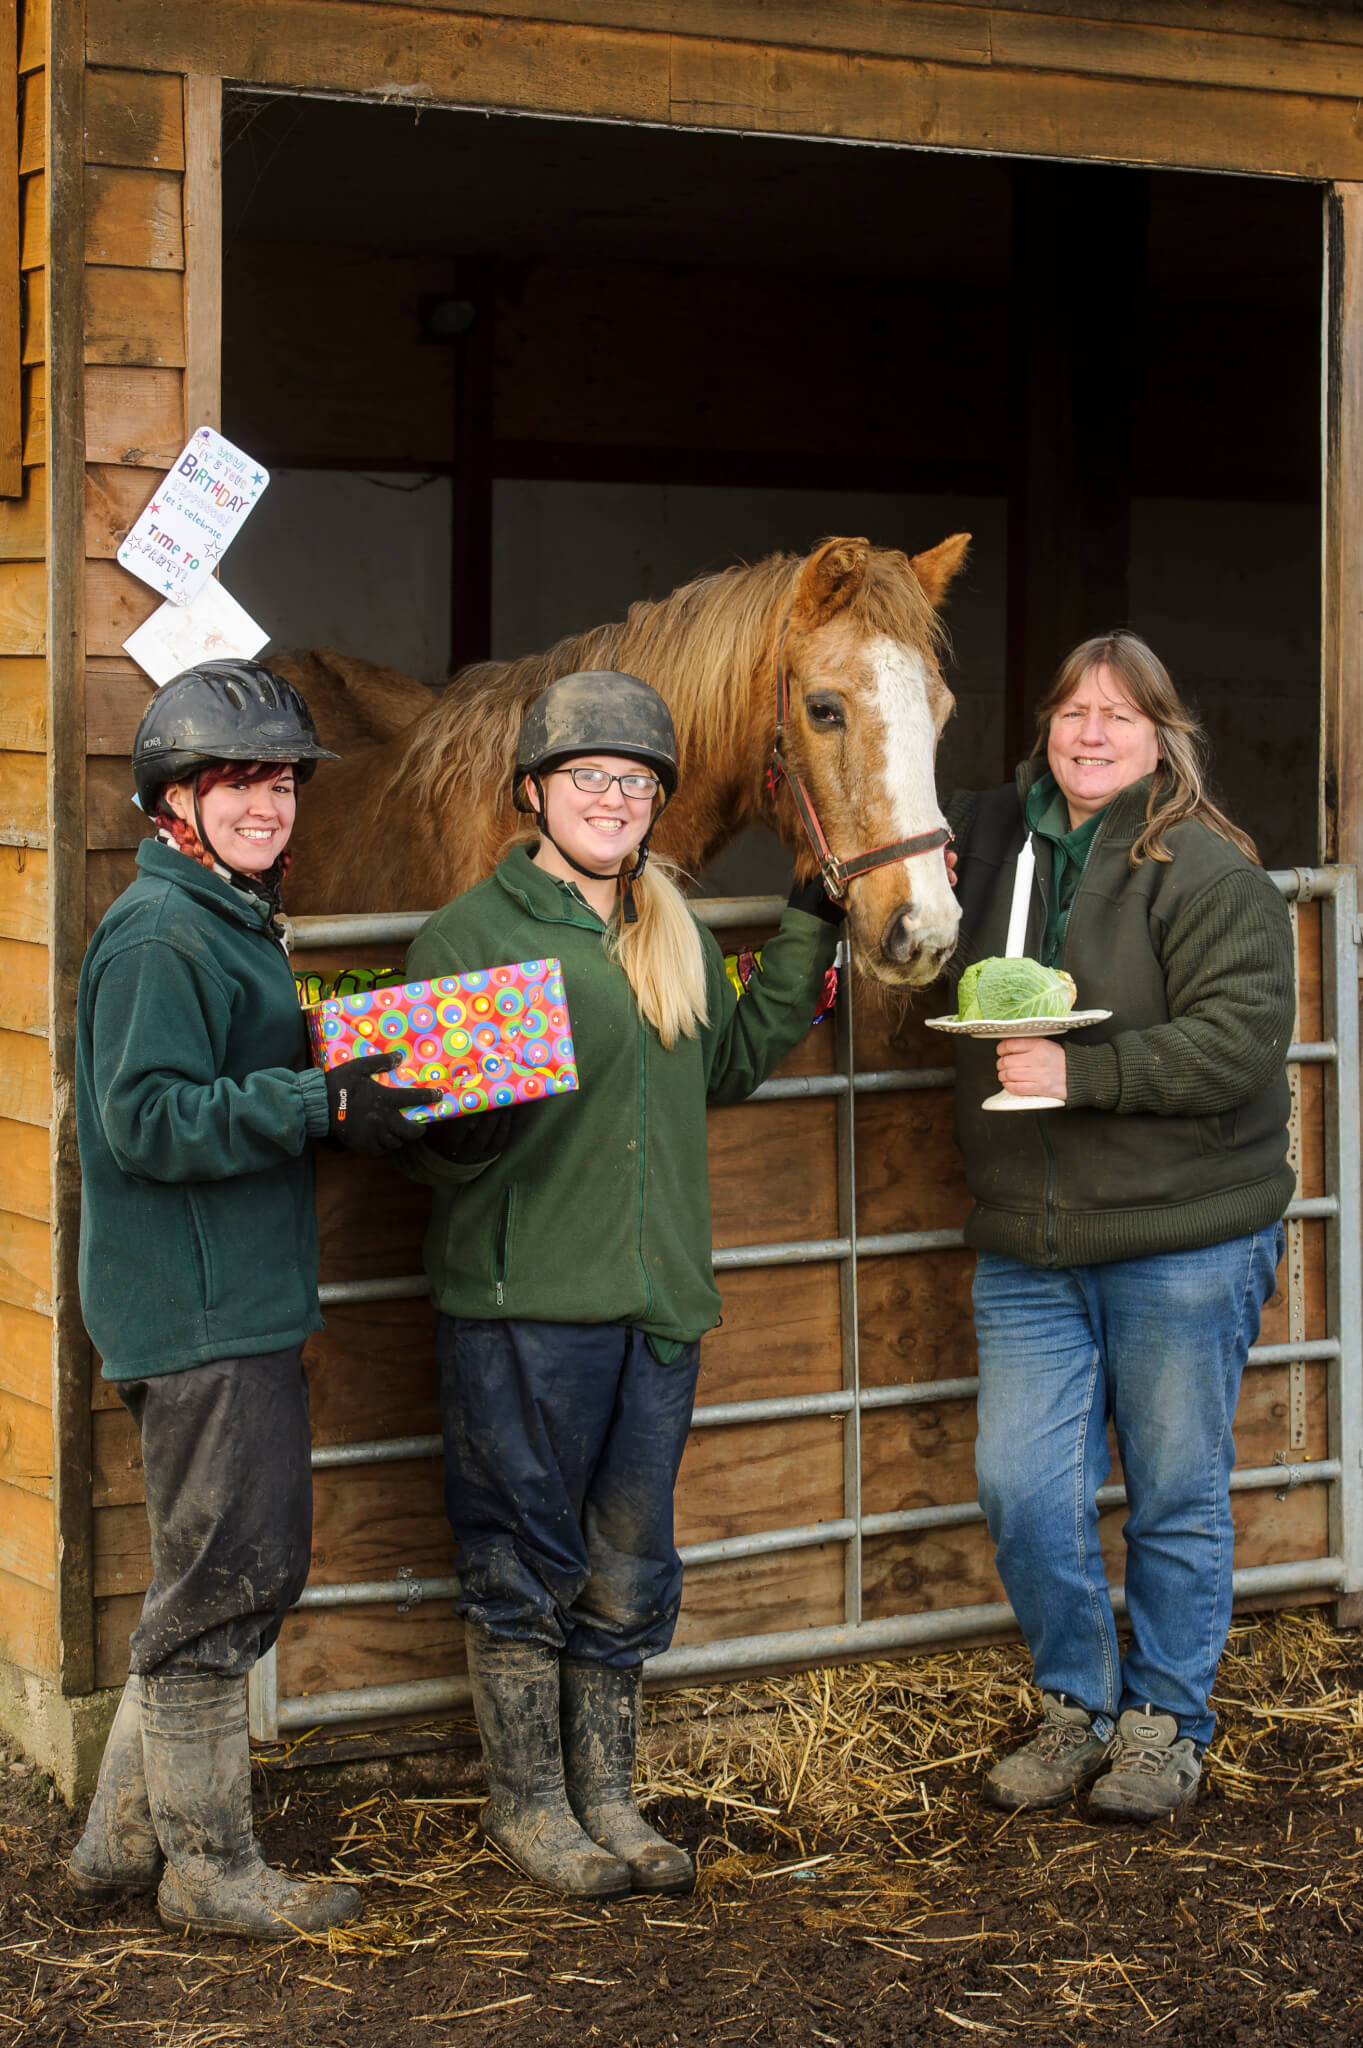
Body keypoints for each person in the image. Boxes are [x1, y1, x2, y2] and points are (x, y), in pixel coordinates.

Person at [404, 669, 842, 1898]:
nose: (612, 798)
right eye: (588, 777)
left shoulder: (671, 924)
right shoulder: (471, 937)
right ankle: (531, 1804)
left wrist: (810, 921)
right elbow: (424, 1140)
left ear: (656, 802)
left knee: (629, 1562)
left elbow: (735, 1062)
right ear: (536, 792)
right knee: (522, 1557)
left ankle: (607, 1791)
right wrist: (440, 1121)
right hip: (526, 1305)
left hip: (657, 1309)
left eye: (635, 781)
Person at [67, 660, 439, 1937]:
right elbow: (143, 1119)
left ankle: (123, 1839)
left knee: (208, 1570)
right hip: (200, 1306)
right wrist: (318, 1101)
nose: (267, 802)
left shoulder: (224, 917)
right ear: (174, 798)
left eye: (280, 780)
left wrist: (348, 1060)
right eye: (237, 781)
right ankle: (212, 1868)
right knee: (236, 1573)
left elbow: (226, 1071)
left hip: (228, 1296)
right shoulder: (163, 931)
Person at [944, 631, 1294, 1822]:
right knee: (1021, 1486)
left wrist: (1081, 1074)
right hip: (1031, 1242)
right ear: (1043, 727)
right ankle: (1074, 1704)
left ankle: (1162, 1723)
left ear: (1162, 737)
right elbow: (871, 845)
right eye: (1070, 712)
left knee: (1173, 1489)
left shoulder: (1204, 869)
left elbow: (1240, 1041)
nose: (1089, 734)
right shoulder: (993, 842)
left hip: (1179, 1235)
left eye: (1118, 716)